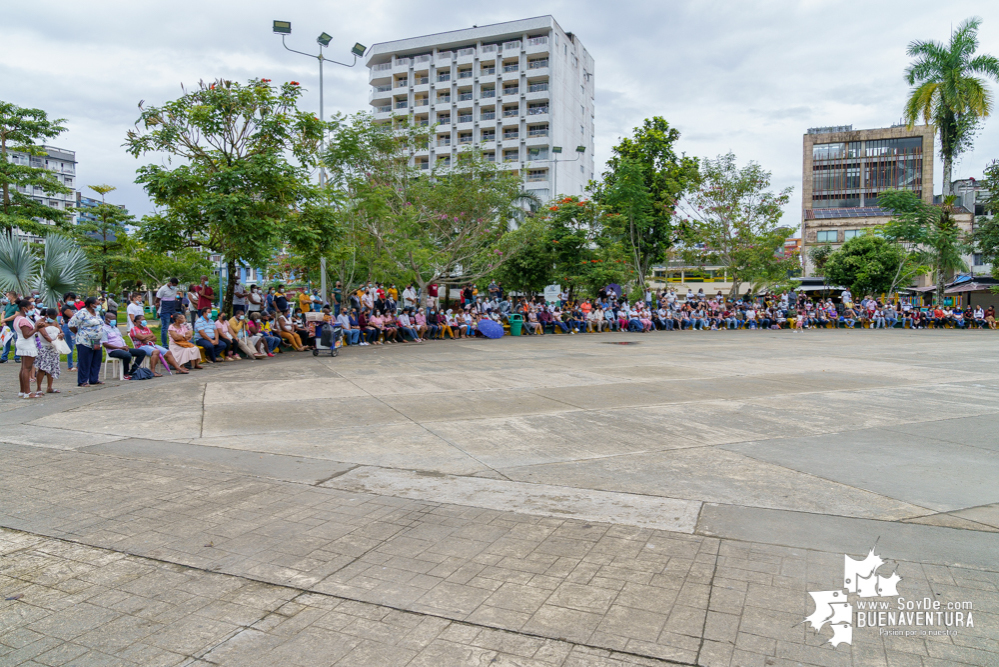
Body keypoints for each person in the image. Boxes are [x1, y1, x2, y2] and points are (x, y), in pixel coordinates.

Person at [68, 296, 106, 387]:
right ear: (91, 304)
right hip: (85, 340)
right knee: (85, 361)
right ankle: (83, 381)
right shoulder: (82, 313)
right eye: (97, 304)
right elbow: (71, 324)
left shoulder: (96, 313)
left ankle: (94, 379)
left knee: (96, 359)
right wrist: (77, 332)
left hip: (96, 340)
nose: (99, 305)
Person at [101, 311, 147, 379]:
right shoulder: (103, 329)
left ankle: (132, 371)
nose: (114, 321)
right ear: (107, 319)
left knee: (142, 352)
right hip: (113, 350)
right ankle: (125, 373)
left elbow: (121, 339)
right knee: (127, 355)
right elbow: (105, 344)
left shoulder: (115, 328)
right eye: (112, 319)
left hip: (122, 348)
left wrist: (125, 346)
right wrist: (120, 347)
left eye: (115, 319)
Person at [12, 299, 43, 398]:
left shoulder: (18, 318)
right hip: (27, 344)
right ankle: (27, 392)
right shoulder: (23, 320)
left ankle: (22, 390)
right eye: (30, 308)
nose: (32, 310)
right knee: (27, 368)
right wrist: (36, 329)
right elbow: (27, 334)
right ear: (23, 308)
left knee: (23, 368)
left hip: (21, 343)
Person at [33, 308, 64, 394]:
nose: (53, 319)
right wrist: (53, 342)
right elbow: (45, 335)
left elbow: (61, 331)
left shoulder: (55, 323)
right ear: (46, 315)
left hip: (54, 348)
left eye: (54, 317)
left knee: (52, 368)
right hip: (44, 347)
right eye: (52, 317)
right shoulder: (40, 322)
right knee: (42, 368)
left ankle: (49, 387)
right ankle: (38, 388)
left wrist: (61, 335)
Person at [154, 278, 182, 347]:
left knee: (176, 325)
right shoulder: (162, 289)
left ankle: (176, 341)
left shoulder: (175, 289)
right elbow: (157, 301)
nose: (174, 287)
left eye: (175, 285)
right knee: (165, 328)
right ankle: (165, 345)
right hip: (164, 310)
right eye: (173, 285)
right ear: (170, 283)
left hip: (172, 310)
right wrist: (158, 312)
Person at [59, 295, 77, 371]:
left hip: (75, 327)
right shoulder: (65, 308)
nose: (71, 300)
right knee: (70, 346)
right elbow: (74, 316)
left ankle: (78, 365)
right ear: (65, 300)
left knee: (77, 345)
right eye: (69, 299)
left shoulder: (74, 307)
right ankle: (70, 365)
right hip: (68, 327)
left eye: (73, 299)